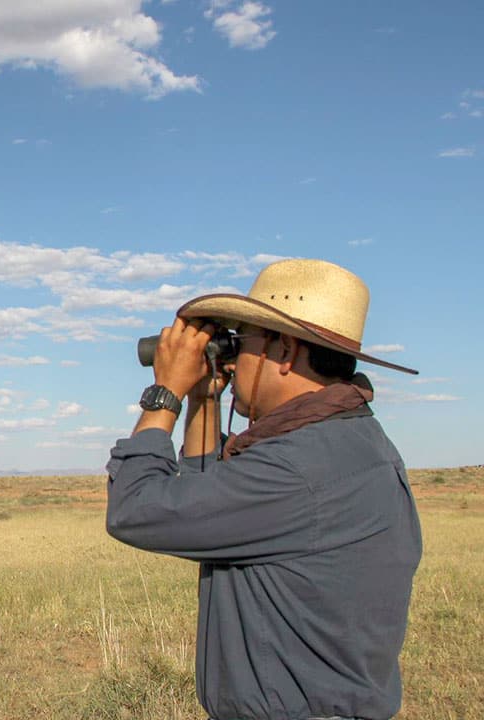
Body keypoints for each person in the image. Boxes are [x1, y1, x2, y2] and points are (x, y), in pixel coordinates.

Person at [105, 258, 422, 720]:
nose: (233, 357)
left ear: (287, 351)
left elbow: (134, 510)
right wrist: (204, 400)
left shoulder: (298, 468)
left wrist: (165, 393)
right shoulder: (345, 445)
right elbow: (208, 512)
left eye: (245, 342)